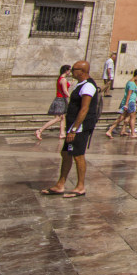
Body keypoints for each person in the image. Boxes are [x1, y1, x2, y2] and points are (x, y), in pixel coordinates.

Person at [41, 60, 100, 198]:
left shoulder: (88, 86)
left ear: (82, 71)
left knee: (78, 156)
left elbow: (84, 109)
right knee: (66, 154)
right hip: (73, 126)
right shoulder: (81, 85)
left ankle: (80, 187)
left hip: (79, 128)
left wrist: (74, 129)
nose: (72, 71)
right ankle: (60, 185)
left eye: (74, 69)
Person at [35, 64, 73, 140]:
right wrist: (71, 97)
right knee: (58, 118)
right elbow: (65, 91)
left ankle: (62, 133)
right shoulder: (63, 79)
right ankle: (40, 130)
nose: (70, 72)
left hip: (59, 99)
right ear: (66, 70)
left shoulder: (60, 78)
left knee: (62, 117)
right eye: (70, 70)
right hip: (61, 100)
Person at [104, 68, 137, 138]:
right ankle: (133, 133)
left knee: (122, 117)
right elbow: (129, 94)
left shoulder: (129, 82)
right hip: (130, 102)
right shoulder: (132, 83)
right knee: (133, 117)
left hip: (128, 101)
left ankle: (110, 130)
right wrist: (127, 103)